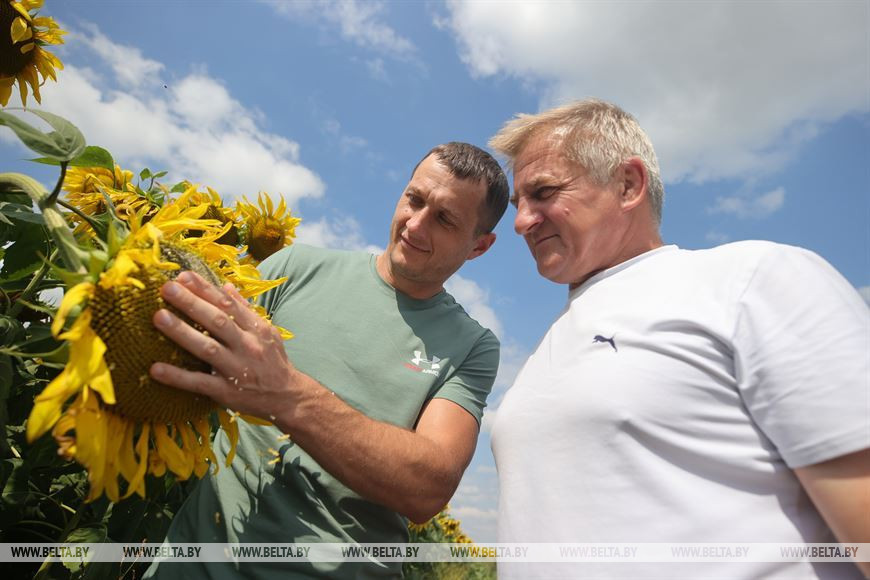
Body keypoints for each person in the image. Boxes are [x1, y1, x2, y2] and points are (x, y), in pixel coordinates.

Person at [488, 99, 869, 579]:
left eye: (543, 192)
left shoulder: (750, 279)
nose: (521, 221)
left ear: (628, 184)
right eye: (517, 205)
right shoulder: (544, 348)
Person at [143, 142, 510, 578]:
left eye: (445, 219)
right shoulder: (293, 267)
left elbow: (428, 487)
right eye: (414, 199)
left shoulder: (472, 345)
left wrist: (287, 395)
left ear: (479, 246)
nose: (415, 224)